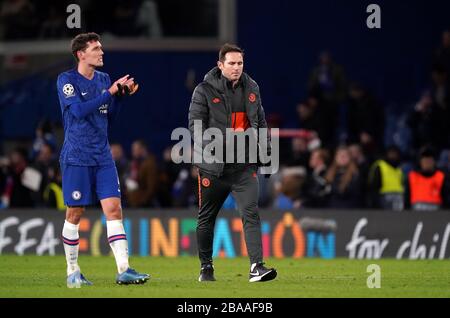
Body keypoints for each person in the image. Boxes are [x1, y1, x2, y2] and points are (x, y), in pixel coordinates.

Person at [56, 32, 149, 288]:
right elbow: (78, 111)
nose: (101, 52)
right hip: (77, 156)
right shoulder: (67, 80)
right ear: (81, 54)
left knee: (114, 210)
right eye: (96, 48)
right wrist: (109, 92)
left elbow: (109, 117)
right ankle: (72, 272)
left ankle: (124, 269)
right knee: (75, 212)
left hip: (102, 157)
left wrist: (119, 96)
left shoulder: (104, 79)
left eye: (101, 48)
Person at [188, 43, 277, 282]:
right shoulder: (204, 90)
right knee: (206, 218)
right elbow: (195, 127)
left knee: (251, 213)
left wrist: (267, 155)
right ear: (220, 65)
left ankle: (256, 267)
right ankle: (206, 267)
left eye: (240, 63)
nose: (236, 68)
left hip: (244, 166)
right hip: (214, 168)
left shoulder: (252, 87)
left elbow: (260, 122)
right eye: (231, 64)